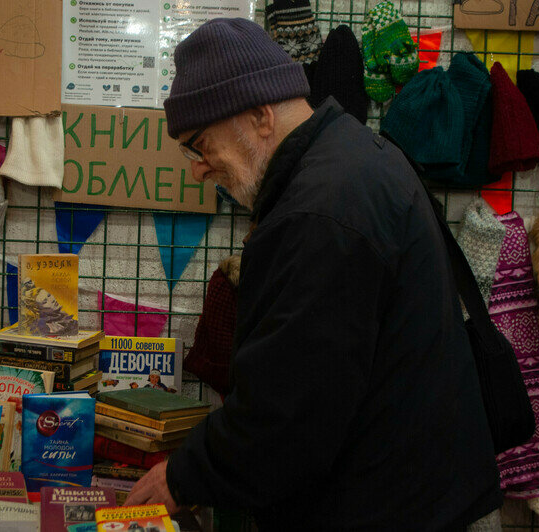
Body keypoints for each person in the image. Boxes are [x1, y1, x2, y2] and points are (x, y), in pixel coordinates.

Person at [124, 17, 502, 530]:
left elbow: (289, 414)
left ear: (260, 115)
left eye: (199, 144)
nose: (197, 168)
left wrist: (184, 477)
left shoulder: (319, 213)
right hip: (418, 494)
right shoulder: (355, 158)